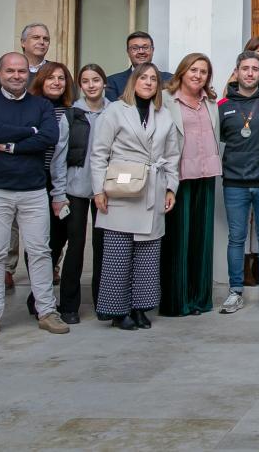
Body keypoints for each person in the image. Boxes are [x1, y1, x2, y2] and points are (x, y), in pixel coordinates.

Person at [0, 53, 68, 340]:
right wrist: (29, 132)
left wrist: (12, 145)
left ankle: (47, 312)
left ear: (29, 74)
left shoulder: (41, 106)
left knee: (40, 252)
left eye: (21, 71)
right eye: (10, 71)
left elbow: (48, 137)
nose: (16, 76)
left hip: (33, 190)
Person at [90, 64, 182, 330]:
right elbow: (99, 153)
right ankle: (118, 311)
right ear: (133, 81)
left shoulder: (164, 114)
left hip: (153, 187)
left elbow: (173, 155)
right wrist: (98, 190)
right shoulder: (115, 111)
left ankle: (141, 307)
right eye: (143, 77)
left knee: (148, 254)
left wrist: (170, 188)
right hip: (122, 187)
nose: (149, 82)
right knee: (118, 253)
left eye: (154, 79)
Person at [217, 51, 259, 315]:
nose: (249, 73)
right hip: (234, 182)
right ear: (237, 71)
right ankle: (235, 292)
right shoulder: (223, 106)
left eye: (255, 69)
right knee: (237, 238)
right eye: (244, 68)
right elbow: (219, 138)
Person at [0, 22, 52, 290]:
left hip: (43, 156)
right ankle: (7, 267)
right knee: (9, 222)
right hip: (7, 164)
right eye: (35, 37)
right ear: (23, 42)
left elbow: (55, 114)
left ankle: (50, 270)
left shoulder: (52, 69)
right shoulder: (9, 68)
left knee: (41, 228)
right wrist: (30, 131)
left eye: (45, 38)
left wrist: (40, 133)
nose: (41, 42)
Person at [159, 53, 221, 318]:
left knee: (201, 240)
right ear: (182, 72)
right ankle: (177, 301)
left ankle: (199, 299)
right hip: (178, 178)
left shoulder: (211, 104)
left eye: (203, 72)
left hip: (206, 176)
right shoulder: (164, 101)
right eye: (193, 70)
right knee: (179, 240)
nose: (198, 75)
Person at [60, 64, 107, 324]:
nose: (91, 85)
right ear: (80, 84)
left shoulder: (115, 111)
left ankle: (103, 302)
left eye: (96, 79)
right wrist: (59, 191)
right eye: (86, 80)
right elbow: (59, 155)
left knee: (102, 246)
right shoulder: (71, 114)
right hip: (76, 188)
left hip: (105, 189)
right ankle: (69, 305)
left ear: (104, 83)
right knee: (75, 246)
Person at [27, 62, 72, 313]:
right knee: (37, 240)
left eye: (61, 78)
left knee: (59, 236)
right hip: (35, 179)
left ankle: (43, 290)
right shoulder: (31, 108)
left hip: (62, 180)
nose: (57, 82)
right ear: (41, 81)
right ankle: (37, 297)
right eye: (51, 78)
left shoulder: (71, 111)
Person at [105, 32, 173, 101]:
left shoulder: (169, 79)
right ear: (128, 52)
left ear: (152, 50)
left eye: (145, 47)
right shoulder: (113, 82)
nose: (141, 52)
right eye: (135, 48)